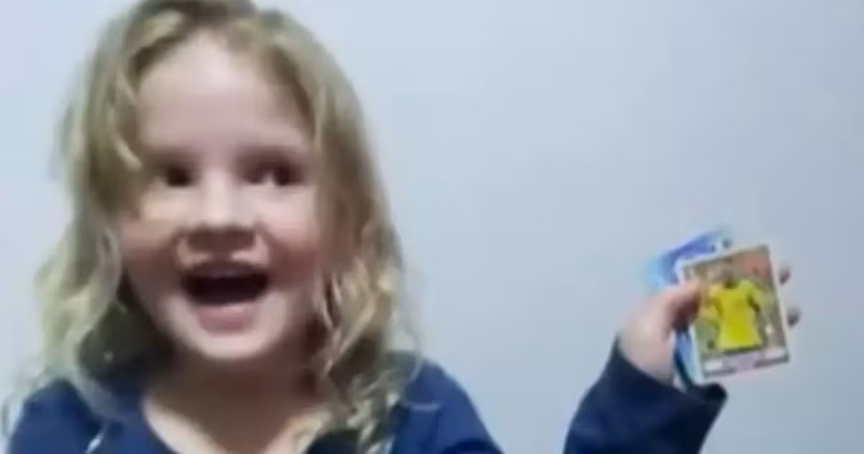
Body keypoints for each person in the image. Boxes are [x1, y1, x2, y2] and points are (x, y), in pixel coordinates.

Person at [5, 1, 800, 452]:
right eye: (172, 177)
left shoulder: (413, 418)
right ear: (109, 223)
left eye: (273, 173)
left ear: (346, 219)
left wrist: (640, 397)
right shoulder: (67, 429)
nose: (219, 216)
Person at [699, 263, 773, 354]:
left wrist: (757, 302)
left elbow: (763, 302)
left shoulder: (746, 287)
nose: (716, 284)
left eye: (716, 281)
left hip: (748, 341)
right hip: (731, 344)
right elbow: (707, 312)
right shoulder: (715, 293)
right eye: (714, 282)